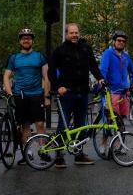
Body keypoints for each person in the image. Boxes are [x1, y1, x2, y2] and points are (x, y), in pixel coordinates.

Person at [48, 23, 104, 168]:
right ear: (66, 34)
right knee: (63, 124)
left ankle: (79, 154)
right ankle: (59, 156)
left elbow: (93, 66)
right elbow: (51, 71)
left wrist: (100, 78)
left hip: (83, 93)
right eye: (71, 33)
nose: (74, 35)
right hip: (66, 93)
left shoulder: (86, 48)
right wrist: (57, 86)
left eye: (76, 33)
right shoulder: (60, 50)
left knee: (81, 125)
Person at [3, 28, 51, 165]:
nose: (26, 40)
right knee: (25, 125)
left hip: (37, 94)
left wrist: (47, 95)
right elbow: (6, 76)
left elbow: (46, 77)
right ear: (20, 41)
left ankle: (43, 150)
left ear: (32, 41)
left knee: (40, 124)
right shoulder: (14, 58)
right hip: (20, 95)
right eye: (23, 38)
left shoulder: (39, 56)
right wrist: (10, 93)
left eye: (29, 38)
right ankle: (27, 152)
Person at [99, 30, 133, 121]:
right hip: (112, 91)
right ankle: (107, 134)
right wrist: (103, 83)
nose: (121, 42)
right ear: (114, 42)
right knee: (111, 119)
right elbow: (103, 70)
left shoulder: (126, 56)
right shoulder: (108, 53)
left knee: (122, 119)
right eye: (119, 40)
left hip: (124, 92)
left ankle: (119, 135)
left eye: (123, 41)